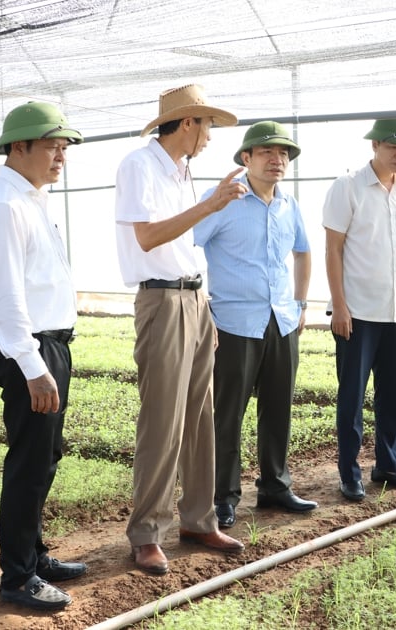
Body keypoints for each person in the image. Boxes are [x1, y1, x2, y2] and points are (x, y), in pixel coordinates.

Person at [116, 84, 247, 575]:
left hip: (193, 299)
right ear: (187, 123)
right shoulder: (138, 166)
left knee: (199, 419)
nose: (210, 136)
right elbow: (149, 236)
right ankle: (148, 532)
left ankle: (197, 518)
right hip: (162, 300)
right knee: (163, 421)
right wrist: (211, 205)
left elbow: (186, 247)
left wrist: (205, 306)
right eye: (207, 125)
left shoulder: (183, 170)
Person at [0, 102, 86, 610]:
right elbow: (9, 298)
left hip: (48, 345)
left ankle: (33, 555)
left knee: (45, 457)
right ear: (19, 146)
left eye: (64, 146)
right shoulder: (4, 207)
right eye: (52, 145)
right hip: (29, 349)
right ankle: (17, 578)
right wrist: (35, 367)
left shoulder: (30, 199)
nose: (61, 155)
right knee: (28, 463)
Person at [193, 121, 316, 529]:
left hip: (280, 320)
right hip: (232, 322)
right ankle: (223, 496)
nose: (277, 159)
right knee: (228, 413)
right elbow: (187, 246)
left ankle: (275, 487)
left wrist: (300, 303)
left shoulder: (289, 205)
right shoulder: (221, 200)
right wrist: (202, 307)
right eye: (267, 152)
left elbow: (302, 252)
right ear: (246, 159)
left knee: (278, 407)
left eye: (283, 154)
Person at [323, 118, 396, 501]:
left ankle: (388, 464)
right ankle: (349, 472)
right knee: (351, 396)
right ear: (375, 146)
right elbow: (333, 250)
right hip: (359, 312)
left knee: (392, 395)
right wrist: (340, 307)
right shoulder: (347, 187)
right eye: (392, 148)